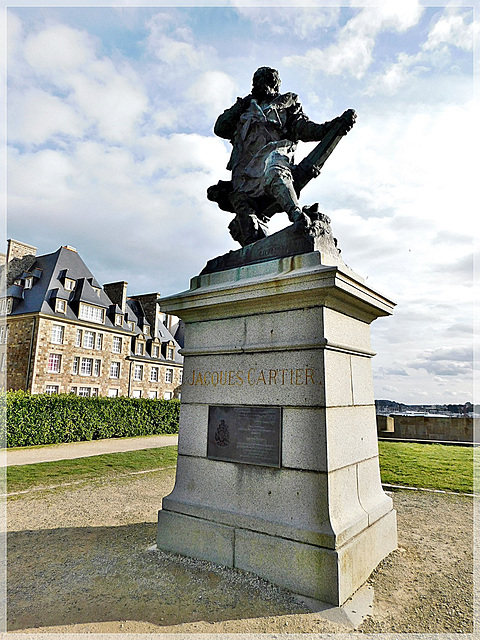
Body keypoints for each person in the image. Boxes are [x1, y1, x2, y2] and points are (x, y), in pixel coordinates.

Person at [211, 66, 355, 246]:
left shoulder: (286, 103)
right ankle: (251, 253)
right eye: (258, 81)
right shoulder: (245, 107)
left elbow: (305, 128)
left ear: (275, 85)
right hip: (245, 166)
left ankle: (296, 215)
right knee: (240, 201)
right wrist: (242, 104)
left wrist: (332, 127)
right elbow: (220, 128)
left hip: (274, 151)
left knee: (275, 170)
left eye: (268, 81)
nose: (263, 85)